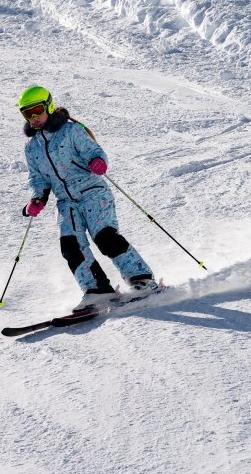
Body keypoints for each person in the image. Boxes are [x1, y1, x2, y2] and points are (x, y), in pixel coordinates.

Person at [18, 86, 158, 310]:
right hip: (66, 203)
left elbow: (94, 151)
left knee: (105, 237)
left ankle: (142, 279)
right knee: (70, 246)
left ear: (48, 106)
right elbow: (37, 178)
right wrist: (37, 198)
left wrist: (98, 161)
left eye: (36, 110)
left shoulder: (70, 131)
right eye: (27, 113)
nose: (33, 118)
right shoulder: (31, 147)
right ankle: (97, 289)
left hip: (93, 192)